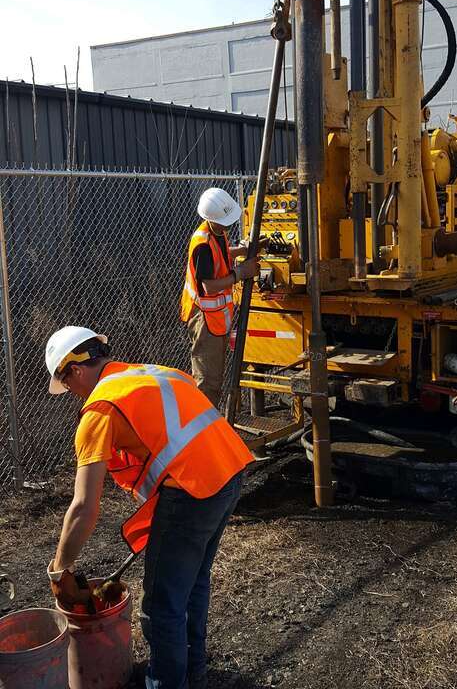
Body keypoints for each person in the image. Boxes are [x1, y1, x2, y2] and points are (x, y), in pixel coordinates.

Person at [44, 325, 254, 689]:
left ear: (74, 370)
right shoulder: (150, 374)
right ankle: (191, 671)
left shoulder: (100, 409)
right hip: (230, 472)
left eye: (67, 385)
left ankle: (166, 681)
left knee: (161, 604)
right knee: (193, 582)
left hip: (194, 490)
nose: (72, 394)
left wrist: (60, 568)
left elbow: (83, 507)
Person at [180, 188, 259, 407]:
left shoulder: (216, 232)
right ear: (212, 218)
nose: (228, 225)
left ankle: (211, 423)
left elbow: (222, 253)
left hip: (215, 318)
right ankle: (205, 429)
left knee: (215, 376)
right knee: (207, 381)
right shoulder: (202, 245)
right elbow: (208, 286)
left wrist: (243, 250)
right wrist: (241, 273)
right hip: (204, 319)